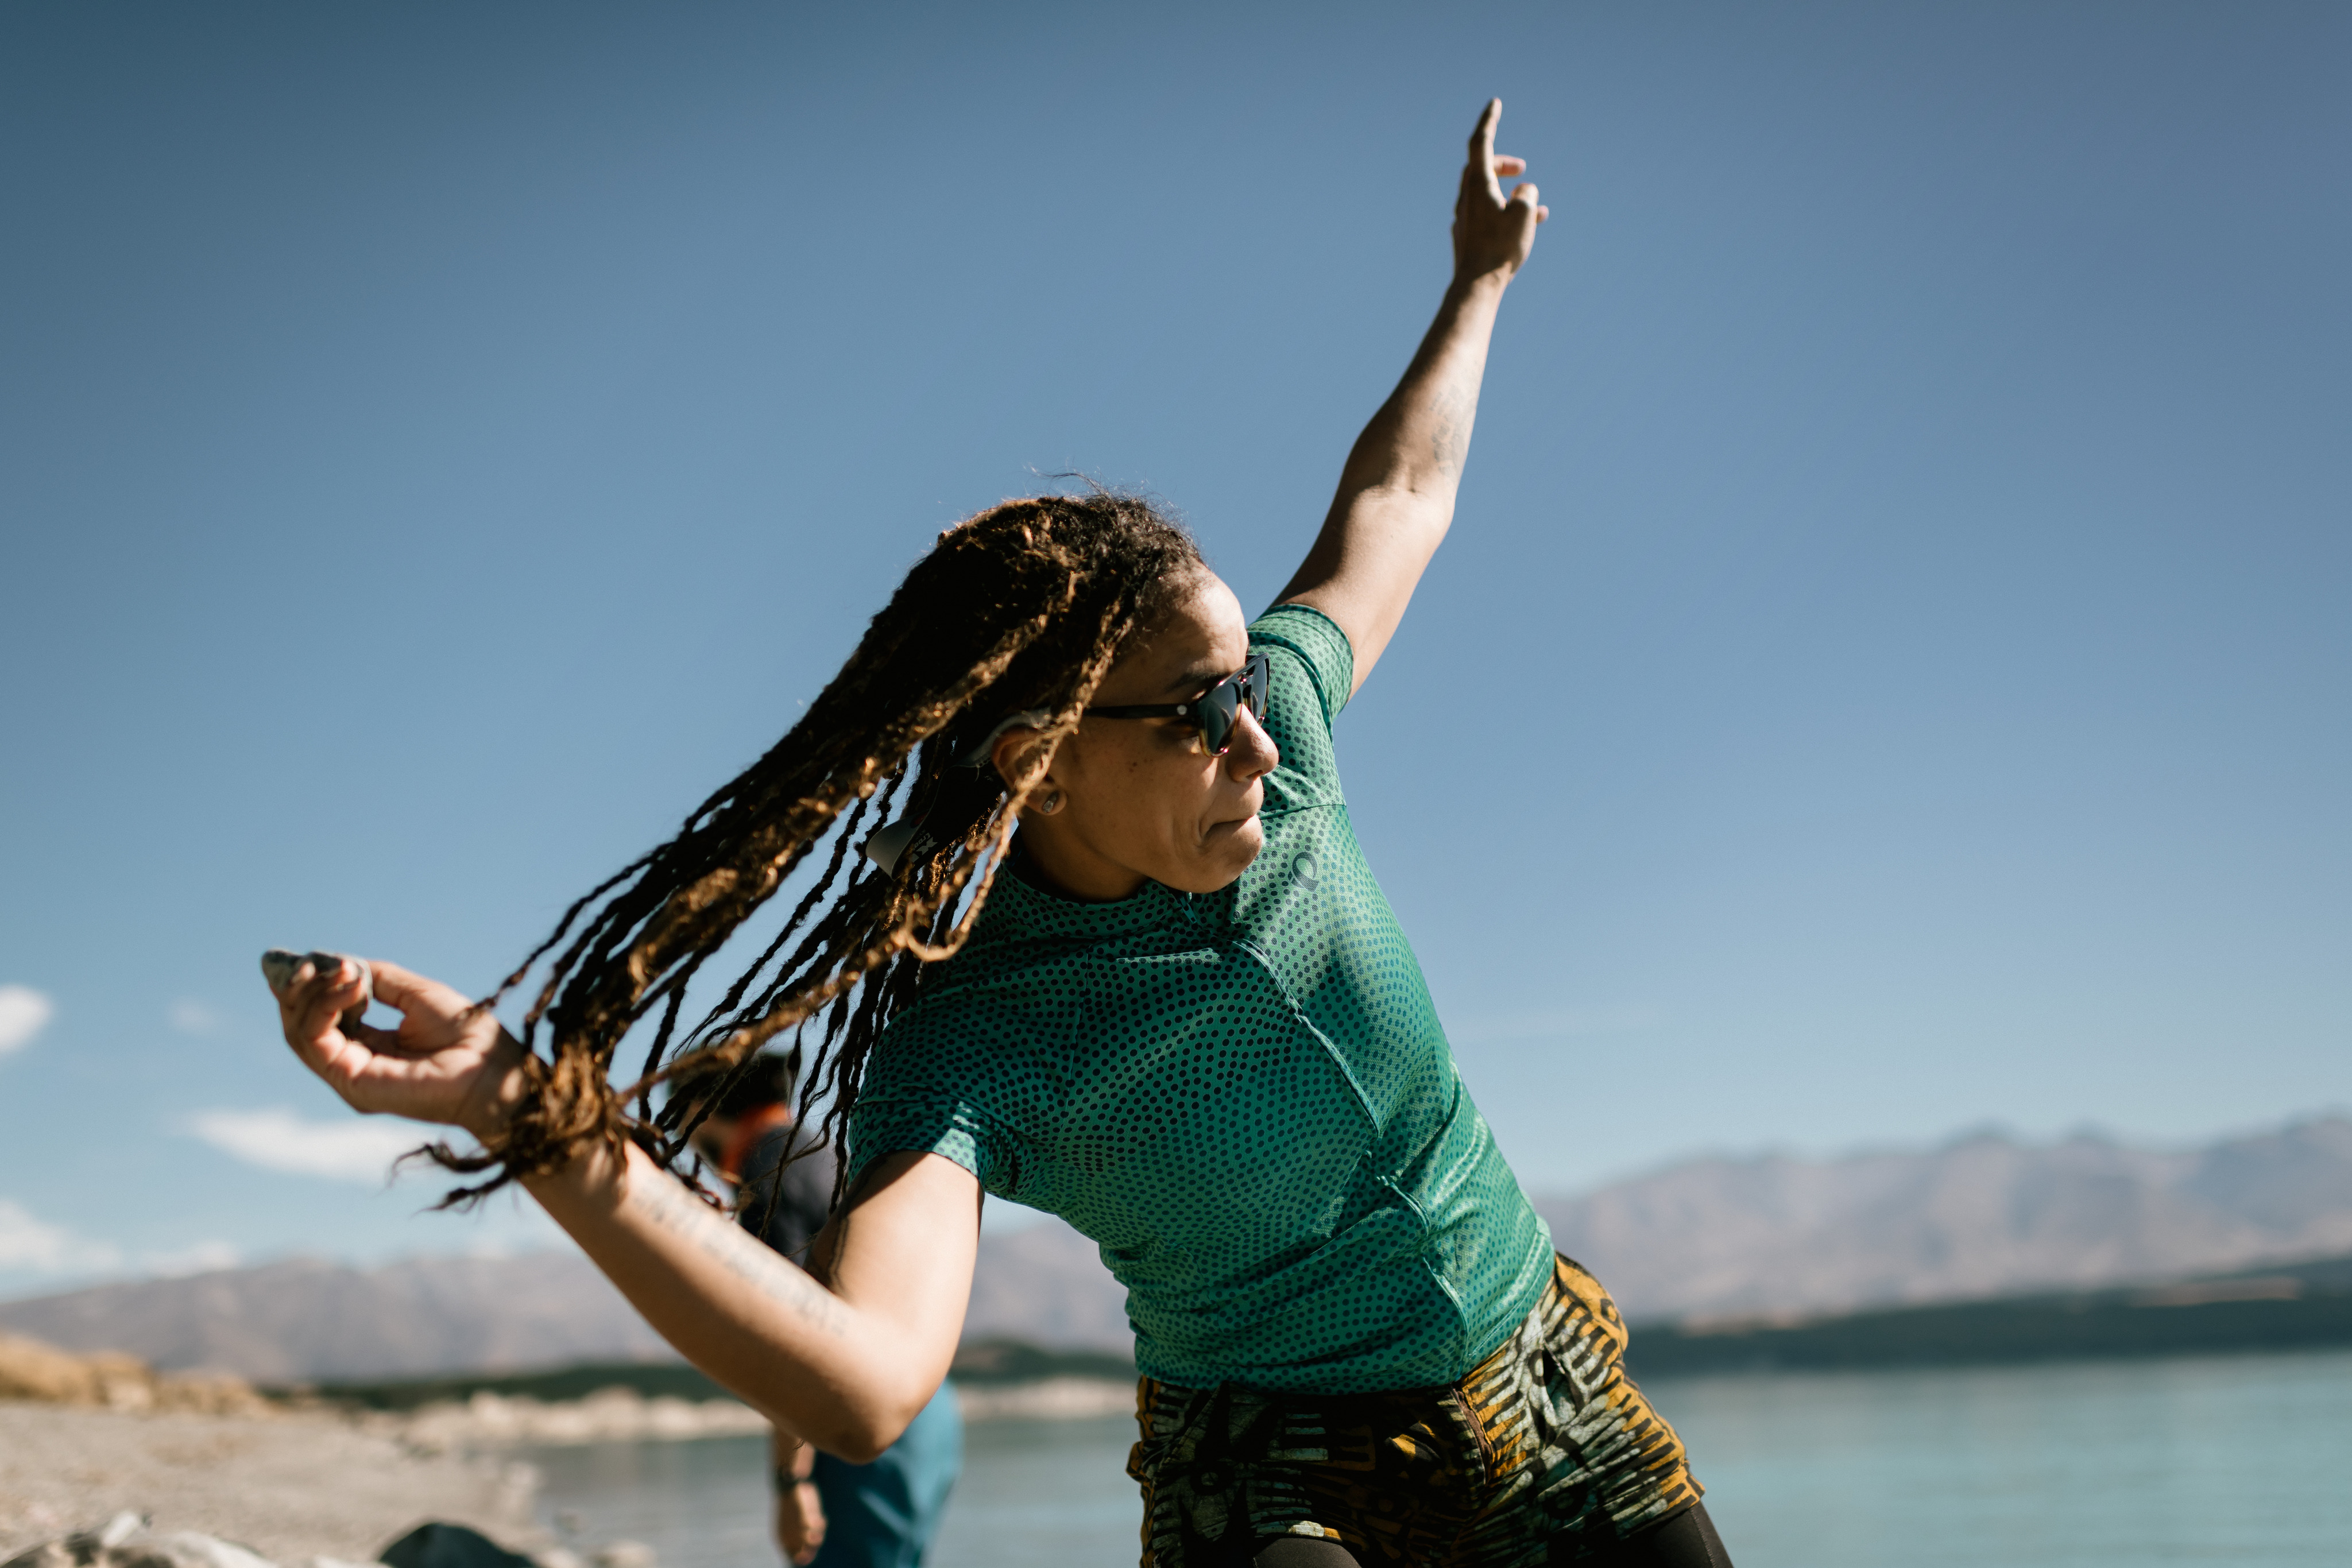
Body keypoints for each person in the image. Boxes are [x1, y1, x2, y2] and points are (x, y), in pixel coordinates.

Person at [269, 102, 1735, 1567]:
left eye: (1246, 688)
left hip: (1551, 1384)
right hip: (1276, 1475)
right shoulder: (974, 1043)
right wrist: (528, 1115)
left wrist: (1479, 282)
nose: (1260, 737)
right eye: (1197, 714)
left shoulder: (1280, 738)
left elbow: (1399, 497)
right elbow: (864, 1384)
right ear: (1037, 761)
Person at [674, 1051, 962, 1568]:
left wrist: (792, 1482)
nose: (696, 1153)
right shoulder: (824, 1150)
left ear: (703, 1110)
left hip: (860, 1413)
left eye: (686, 1131)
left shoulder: (767, 1170)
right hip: (928, 1406)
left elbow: (793, 1335)